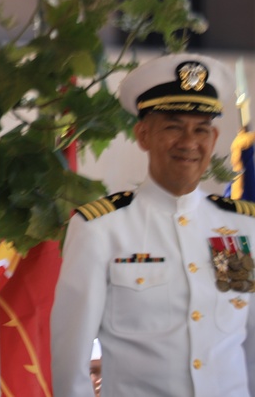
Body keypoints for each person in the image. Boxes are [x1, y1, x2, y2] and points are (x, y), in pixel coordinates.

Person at [51, 53, 255, 397]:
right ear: (143, 135)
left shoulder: (242, 227)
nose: (189, 142)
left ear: (214, 137)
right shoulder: (100, 228)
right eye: (173, 126)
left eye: (201, 130)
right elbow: (71, 356)